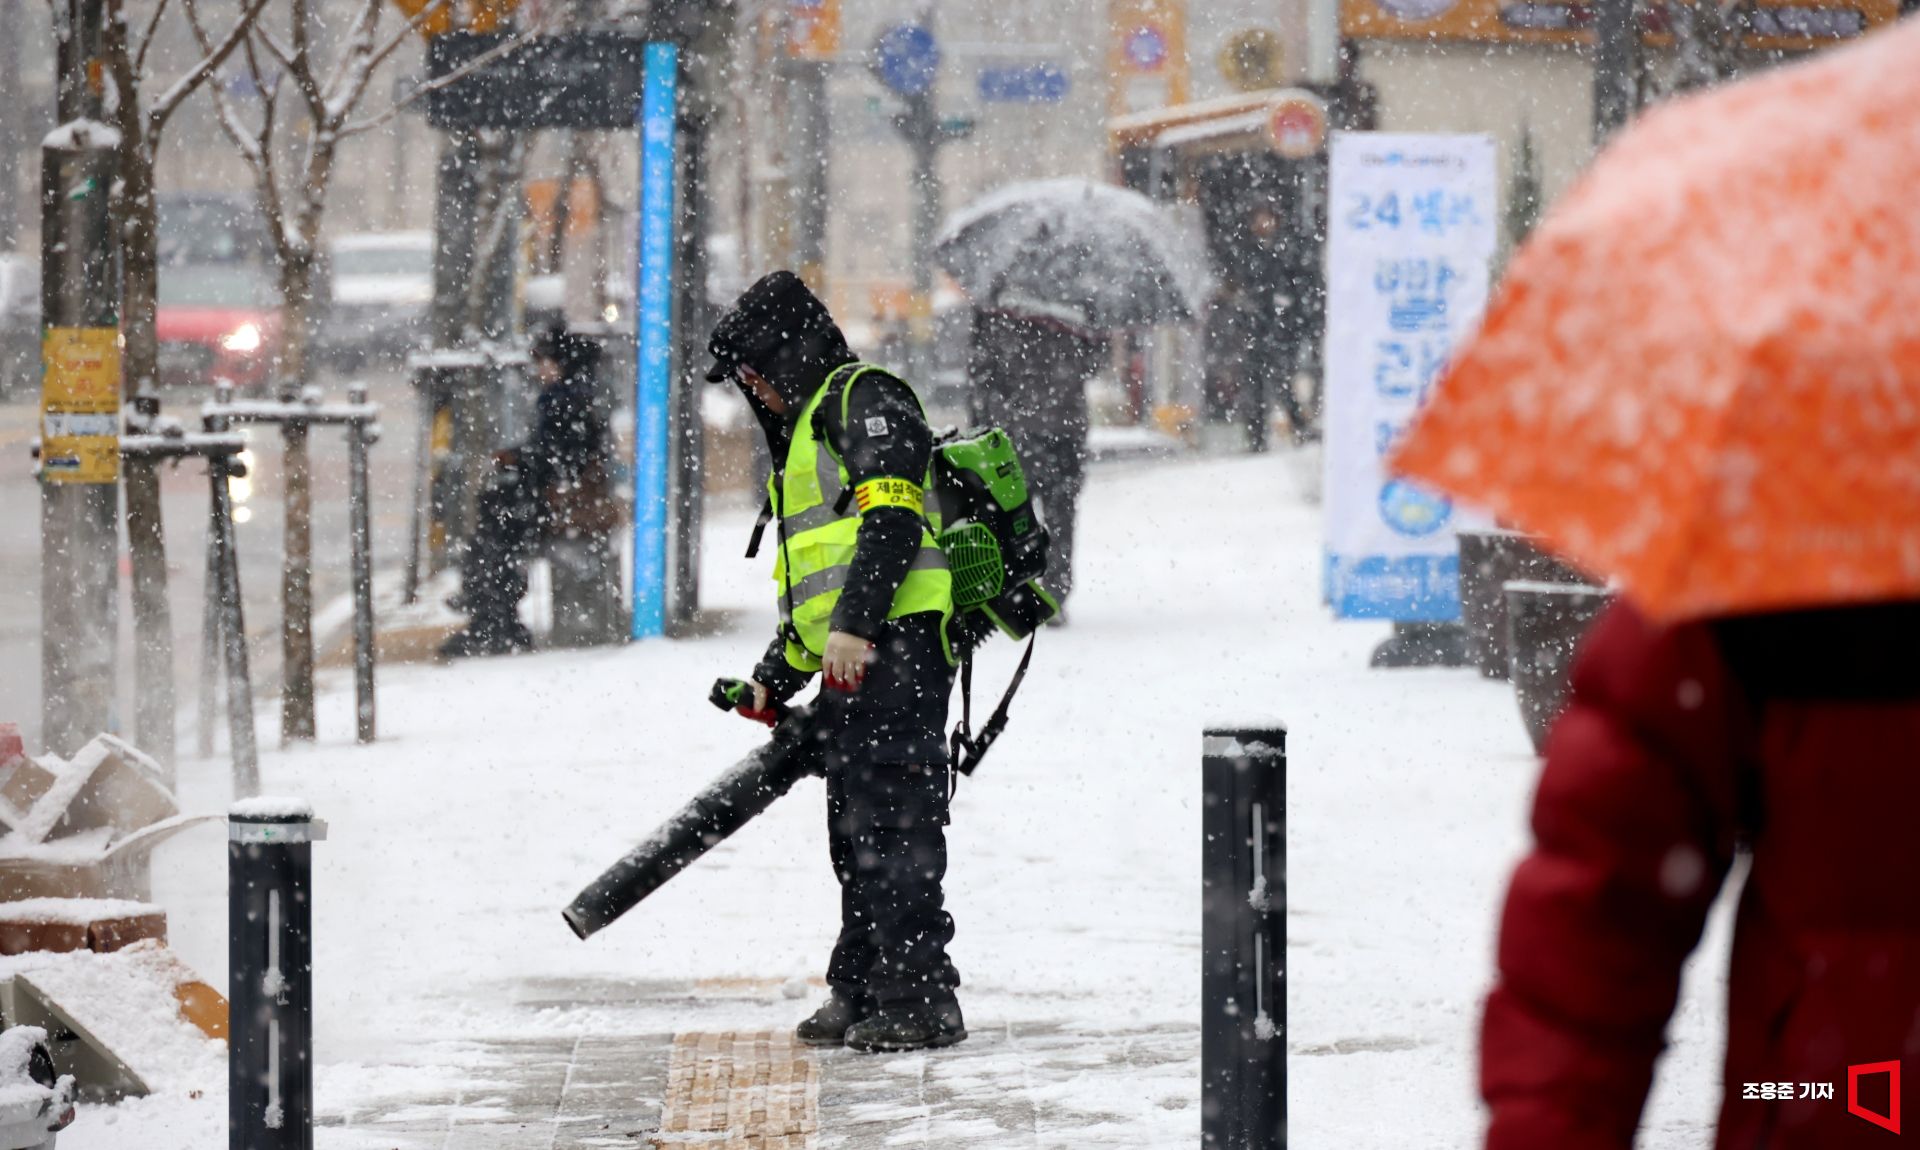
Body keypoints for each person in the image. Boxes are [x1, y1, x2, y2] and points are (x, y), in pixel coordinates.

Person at [1480, 599, 1920, 1149]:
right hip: (1843, 1100)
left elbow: (1599, 911)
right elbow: (1604, 904)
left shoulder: (1781, 555)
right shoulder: (1782, 572)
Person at [707, 270, 969, 1053]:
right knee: (856, 833)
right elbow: (816, 594)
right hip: (856, 661)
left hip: (902, 650)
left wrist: (857, 627)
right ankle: (861, 987)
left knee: (896, 827)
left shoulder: (864, 399)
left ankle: (923, 999)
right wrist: (771, 679)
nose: (754, 388)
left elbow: (892, 520)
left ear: (786, 353)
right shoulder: (809, 432)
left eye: (755, 370)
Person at [443, 325, 611, 657]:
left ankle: (491, 615)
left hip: (556, 500)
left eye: (545, 361)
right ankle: (491, 608)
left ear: (562, 363)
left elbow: (556, 455)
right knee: (495, 522)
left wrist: (517, 459)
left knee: (496, 533)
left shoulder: (564, 398)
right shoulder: (577, 394)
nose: (539, 369)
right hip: (555, 494)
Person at [967, 297, 1103, 613]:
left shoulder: (1001, 311)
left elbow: (982, 374)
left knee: (1015, 515)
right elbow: (1094, 364)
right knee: (1061, 513)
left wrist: (985, 421)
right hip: (1064, 430)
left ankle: (1015, 588)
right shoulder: (1076, 314)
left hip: (1018, 432)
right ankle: (1055, 591)